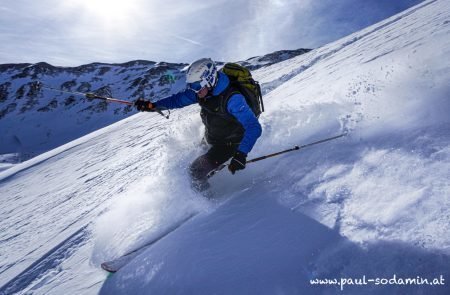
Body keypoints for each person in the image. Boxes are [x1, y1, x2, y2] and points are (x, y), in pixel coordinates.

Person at [134, 58, 262, 192]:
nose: (194, 91)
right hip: (212, 137)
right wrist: (153, 105)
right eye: (191, 86)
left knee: (195, 172)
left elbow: (254, 127)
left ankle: (208, 207)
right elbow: (178, 100)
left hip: (230, 144)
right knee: (193, 158)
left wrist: (241, 154)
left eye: (196, 86)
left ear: (210, 80)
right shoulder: (202, 91)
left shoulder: (233, 99)